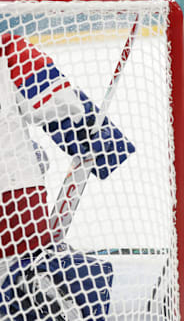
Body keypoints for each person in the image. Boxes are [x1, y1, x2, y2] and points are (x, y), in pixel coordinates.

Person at [0, 34, 134, 319]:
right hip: (16, 193)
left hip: (15, 192)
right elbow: (59, 103)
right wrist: (96, 135)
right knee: (23, 267)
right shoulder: (7, 48)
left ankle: (35, 283)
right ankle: (44, 285)